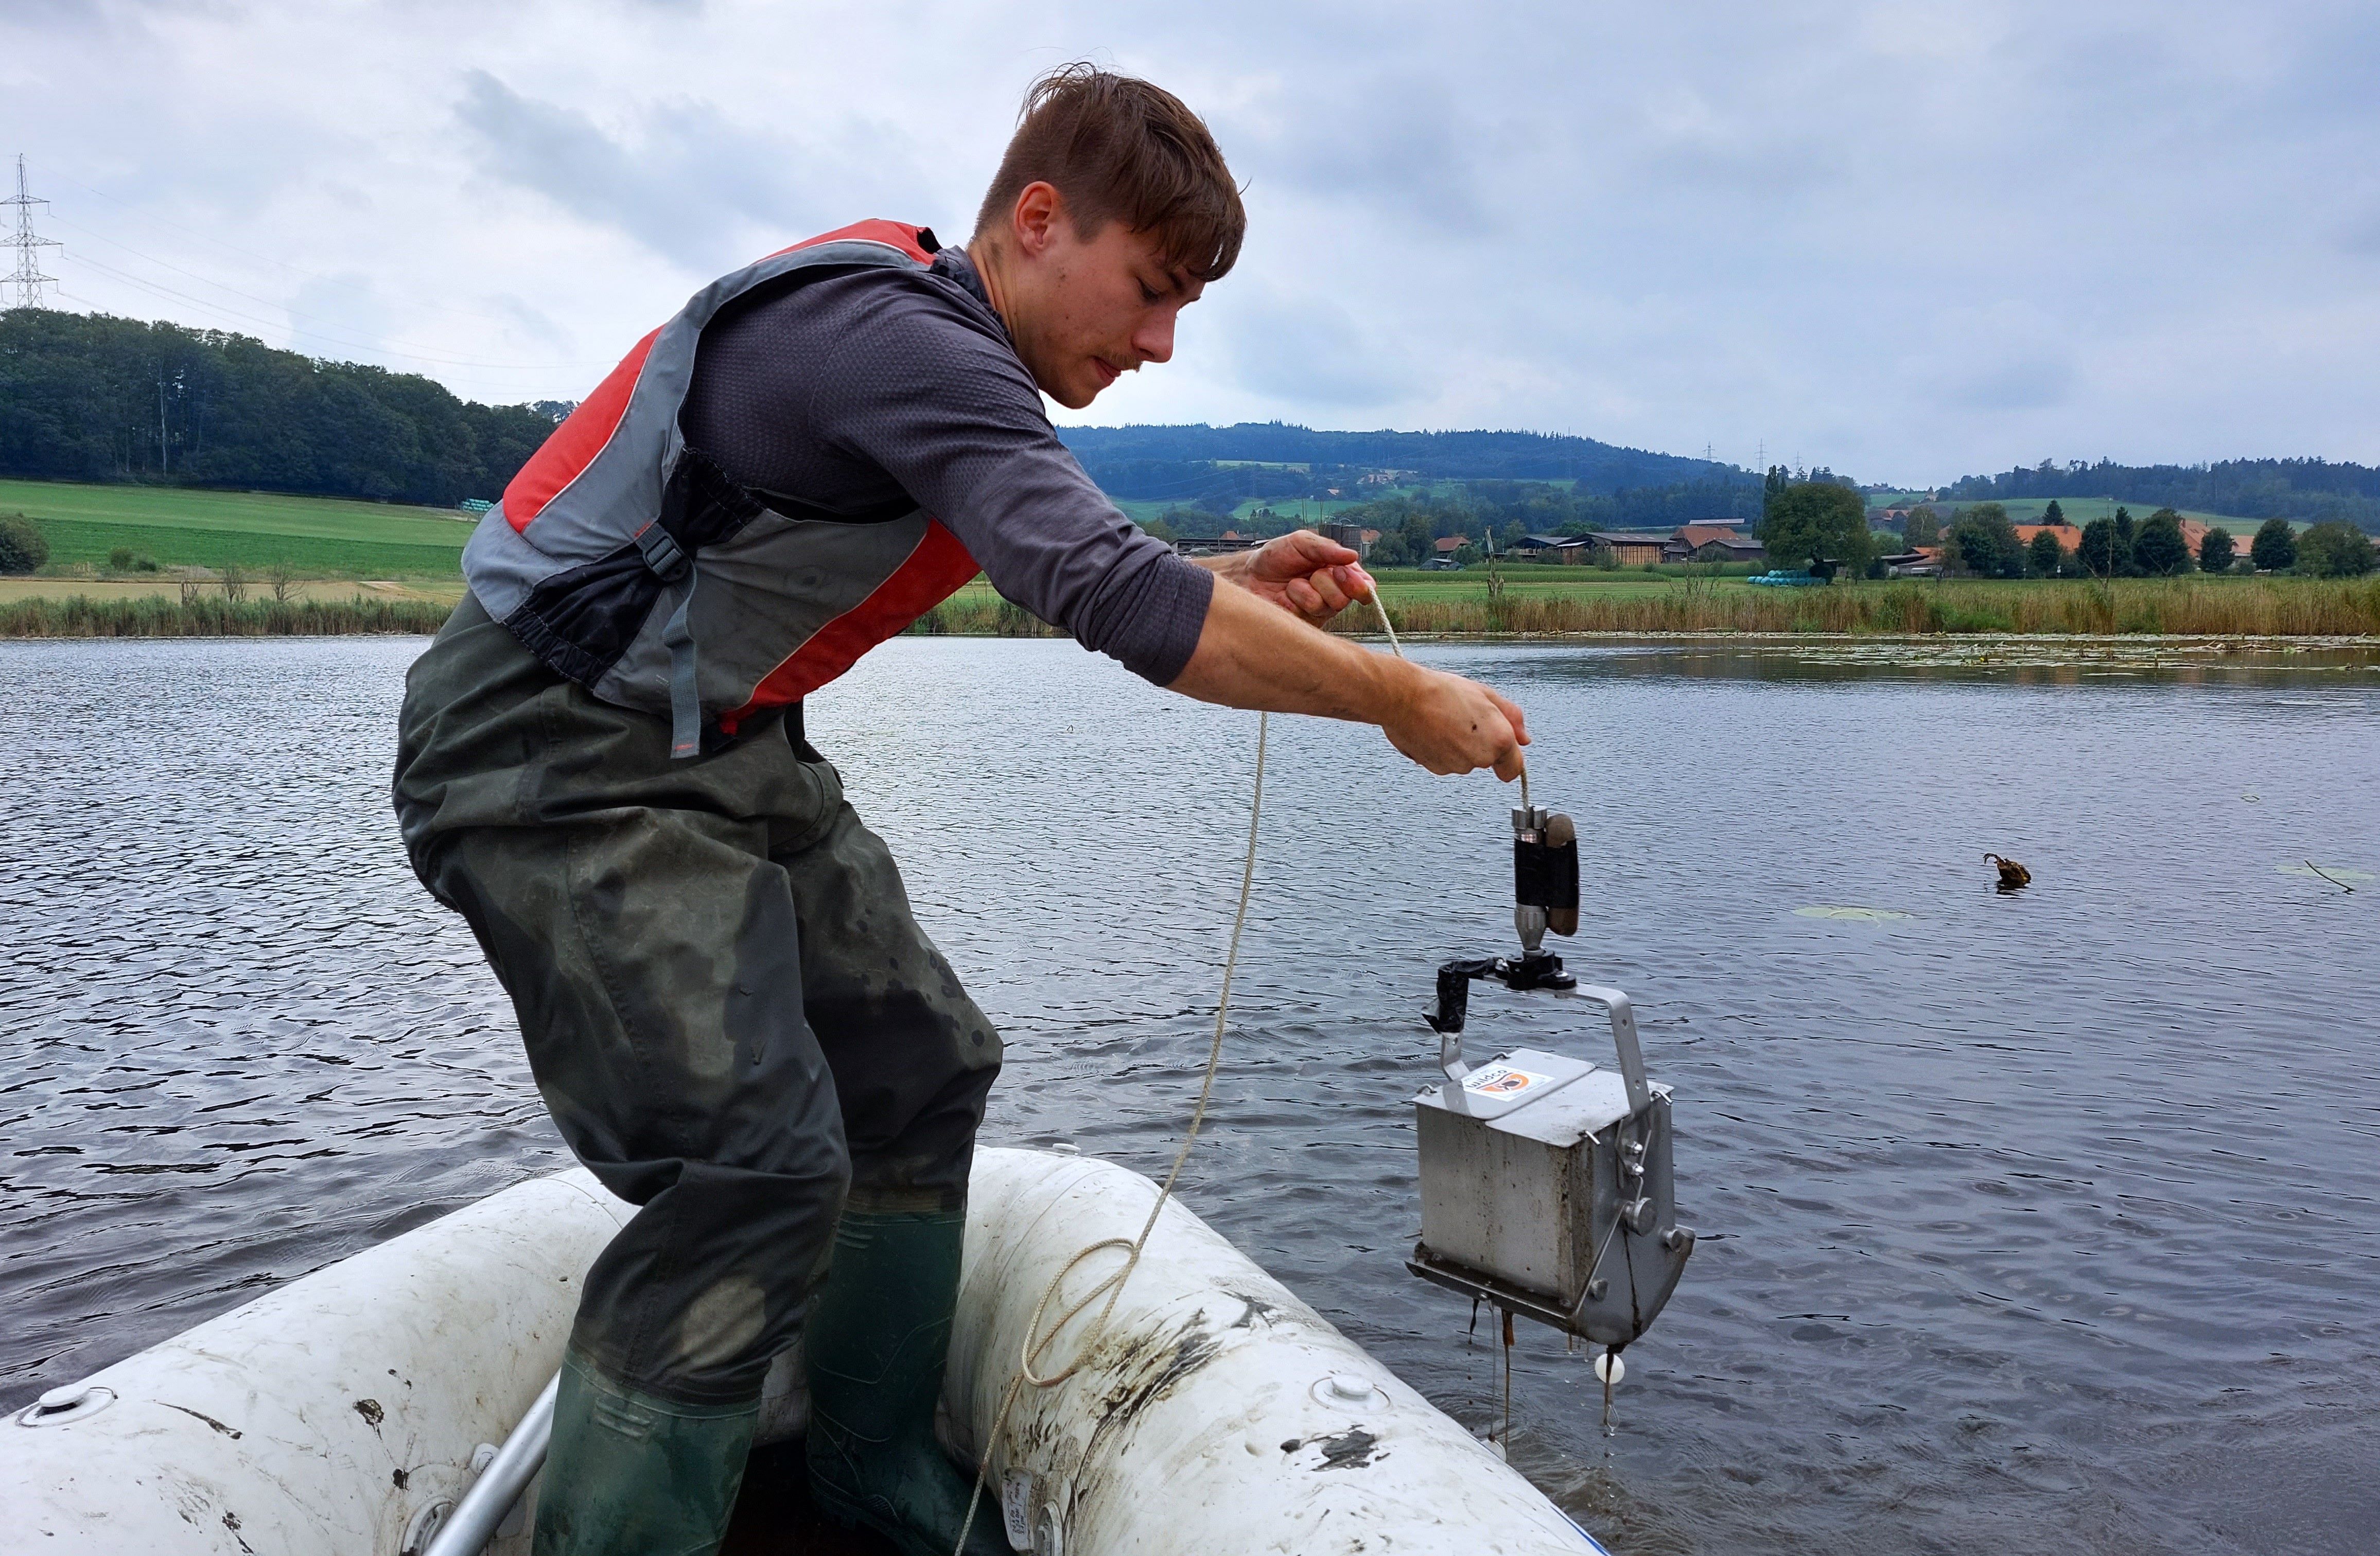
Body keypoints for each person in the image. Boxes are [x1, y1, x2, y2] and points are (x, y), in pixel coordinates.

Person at [392, 64, 1527, 1556]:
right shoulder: (892, 338)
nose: (1162, 342)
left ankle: (874, 1479)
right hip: (547, 746)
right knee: (755, 1168)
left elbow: (1085, 552)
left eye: (1185, 306)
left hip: (714, 745)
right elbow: (1108, 594)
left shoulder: (947, 361)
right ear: (1040, 220)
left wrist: (1233, 585)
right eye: (1148, 289)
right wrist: (1391, 696)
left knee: (921, 1066)